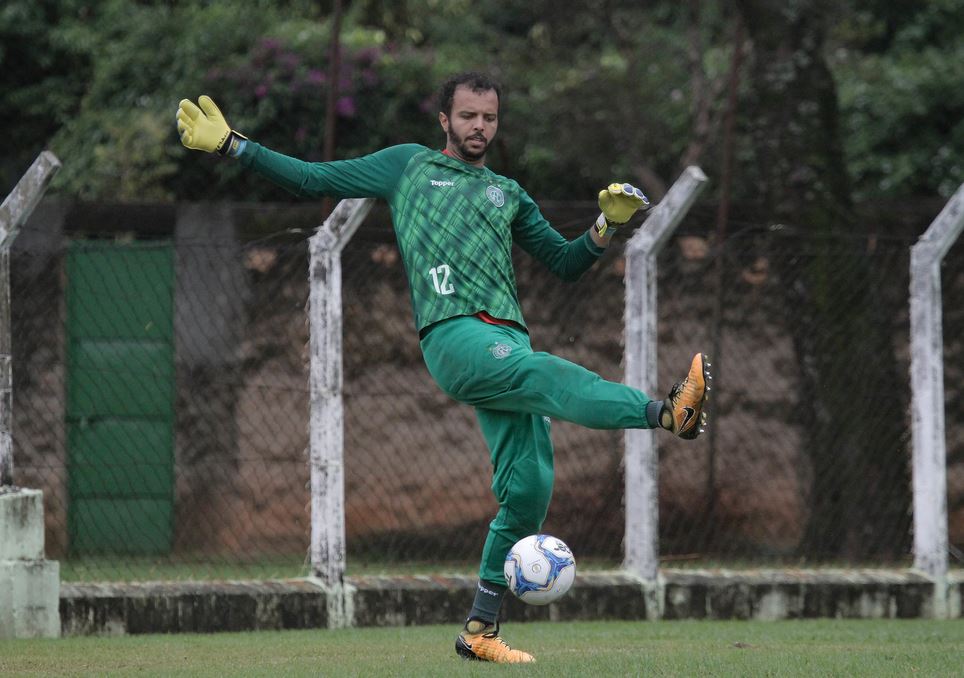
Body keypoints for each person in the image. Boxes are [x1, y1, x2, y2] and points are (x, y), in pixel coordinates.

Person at [177, 71, 709, 664]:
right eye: (468, 116)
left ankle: (479, 630)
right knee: (547, 375)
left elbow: (564, 263)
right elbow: (312, 178)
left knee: (530, 488)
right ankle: (666, 412)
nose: (480, 127)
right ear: (444, 120)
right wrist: (234, 145)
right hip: (455, 337)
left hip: (505, 340)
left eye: (490, 118)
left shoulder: (507, 192)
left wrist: (606, 226)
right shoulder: (407, 165)